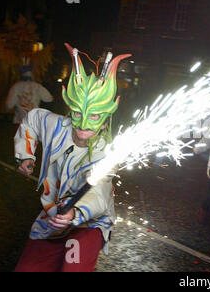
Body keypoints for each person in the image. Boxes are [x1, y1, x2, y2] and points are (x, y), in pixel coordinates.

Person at [13, 43, 131, 272]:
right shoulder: (57, 125)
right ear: (71, 110)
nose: (84, 124)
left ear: (106, 119)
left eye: (95, 115)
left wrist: (76, 213)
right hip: (53, 216)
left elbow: (99, 193)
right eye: (78, 113)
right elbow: (33, 119)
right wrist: (25, 155)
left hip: (88, 222)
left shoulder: (106, 152)